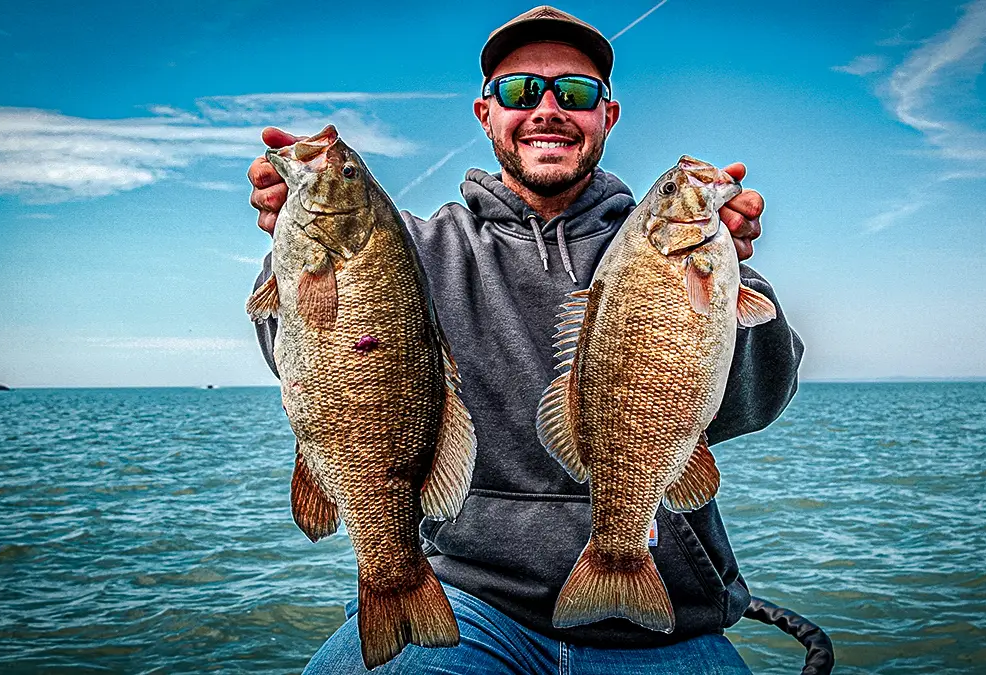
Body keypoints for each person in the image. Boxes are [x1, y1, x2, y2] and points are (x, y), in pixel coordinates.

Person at [247, 6, 804, 674]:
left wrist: (726, 281)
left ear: (608, 116)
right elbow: (319, 369)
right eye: (519, 92)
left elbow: (754, 401)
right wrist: (294, 251)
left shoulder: (651, 245)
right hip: (467, 600)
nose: (546, 108)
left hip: (665, 620)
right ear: (486, 114)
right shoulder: (414, 247)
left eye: (574, 93)